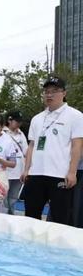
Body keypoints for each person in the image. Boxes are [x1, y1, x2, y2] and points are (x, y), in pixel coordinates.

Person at [21, 76, 83, 224]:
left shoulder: (75, 116)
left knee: (60, 218)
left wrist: (72, 172)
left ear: (64, 93)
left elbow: (77, 146)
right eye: (46, 91)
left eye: (54, 91)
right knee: (30, 216)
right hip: (36, 174)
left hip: (59, 175)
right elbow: (31, 145)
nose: (49, 95)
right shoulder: (37, 118)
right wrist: (26, 169)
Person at [3, 111, 28, 215]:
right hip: (6, 170)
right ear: (9, 120)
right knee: (3, 195)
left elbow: (26, 151)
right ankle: (3, 216)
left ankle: (11, 214)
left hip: (19, 171)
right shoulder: (2, 133)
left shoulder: (21, 134)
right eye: (16, 121)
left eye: (20, 122)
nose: (19, 124)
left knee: (13, 196)